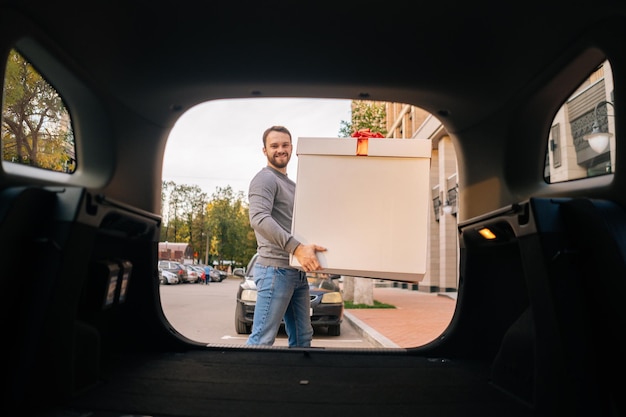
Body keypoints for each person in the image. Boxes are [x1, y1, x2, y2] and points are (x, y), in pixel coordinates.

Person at [246, 125, 326, 348]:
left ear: (291, 148)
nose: (280, 150)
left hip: (296, 271)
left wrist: (319, 257)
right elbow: (259, 219)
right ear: (265, 151)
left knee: (302, 339)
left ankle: (299, 380)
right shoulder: (264, 179)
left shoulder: (291, 184)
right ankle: (247, 382)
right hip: (275, 271)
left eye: (284, 145)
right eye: (274, 146)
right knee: (262, 339)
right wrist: (297, 248)